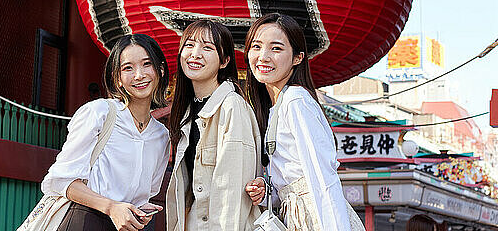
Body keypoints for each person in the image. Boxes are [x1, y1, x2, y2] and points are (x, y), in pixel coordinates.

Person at [243, 13, 364, 231]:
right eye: (256, 46)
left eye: (276, 48)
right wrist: (266, 190)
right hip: (297, 215)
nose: (263, 56)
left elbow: (322, 176)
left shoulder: (296, 100)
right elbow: (290, 178)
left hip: (316, 217)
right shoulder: (275, 107)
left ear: (297, 58)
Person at [41, 34, 171, 231]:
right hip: (87, 221)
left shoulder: (161, 136)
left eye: (147, 64)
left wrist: (140, 209)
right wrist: (111, 207)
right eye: (128, 68)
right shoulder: (99, 113)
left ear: (160, 70)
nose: (139, 75)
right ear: (117, 79)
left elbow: (148, 192)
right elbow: (61, 180)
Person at [167, 20, 262, 231]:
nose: (195, 54)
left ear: (224, 61)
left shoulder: (232, 106)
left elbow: (233, 193)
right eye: (189, 45)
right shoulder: (189, 111)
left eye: (207, 47)